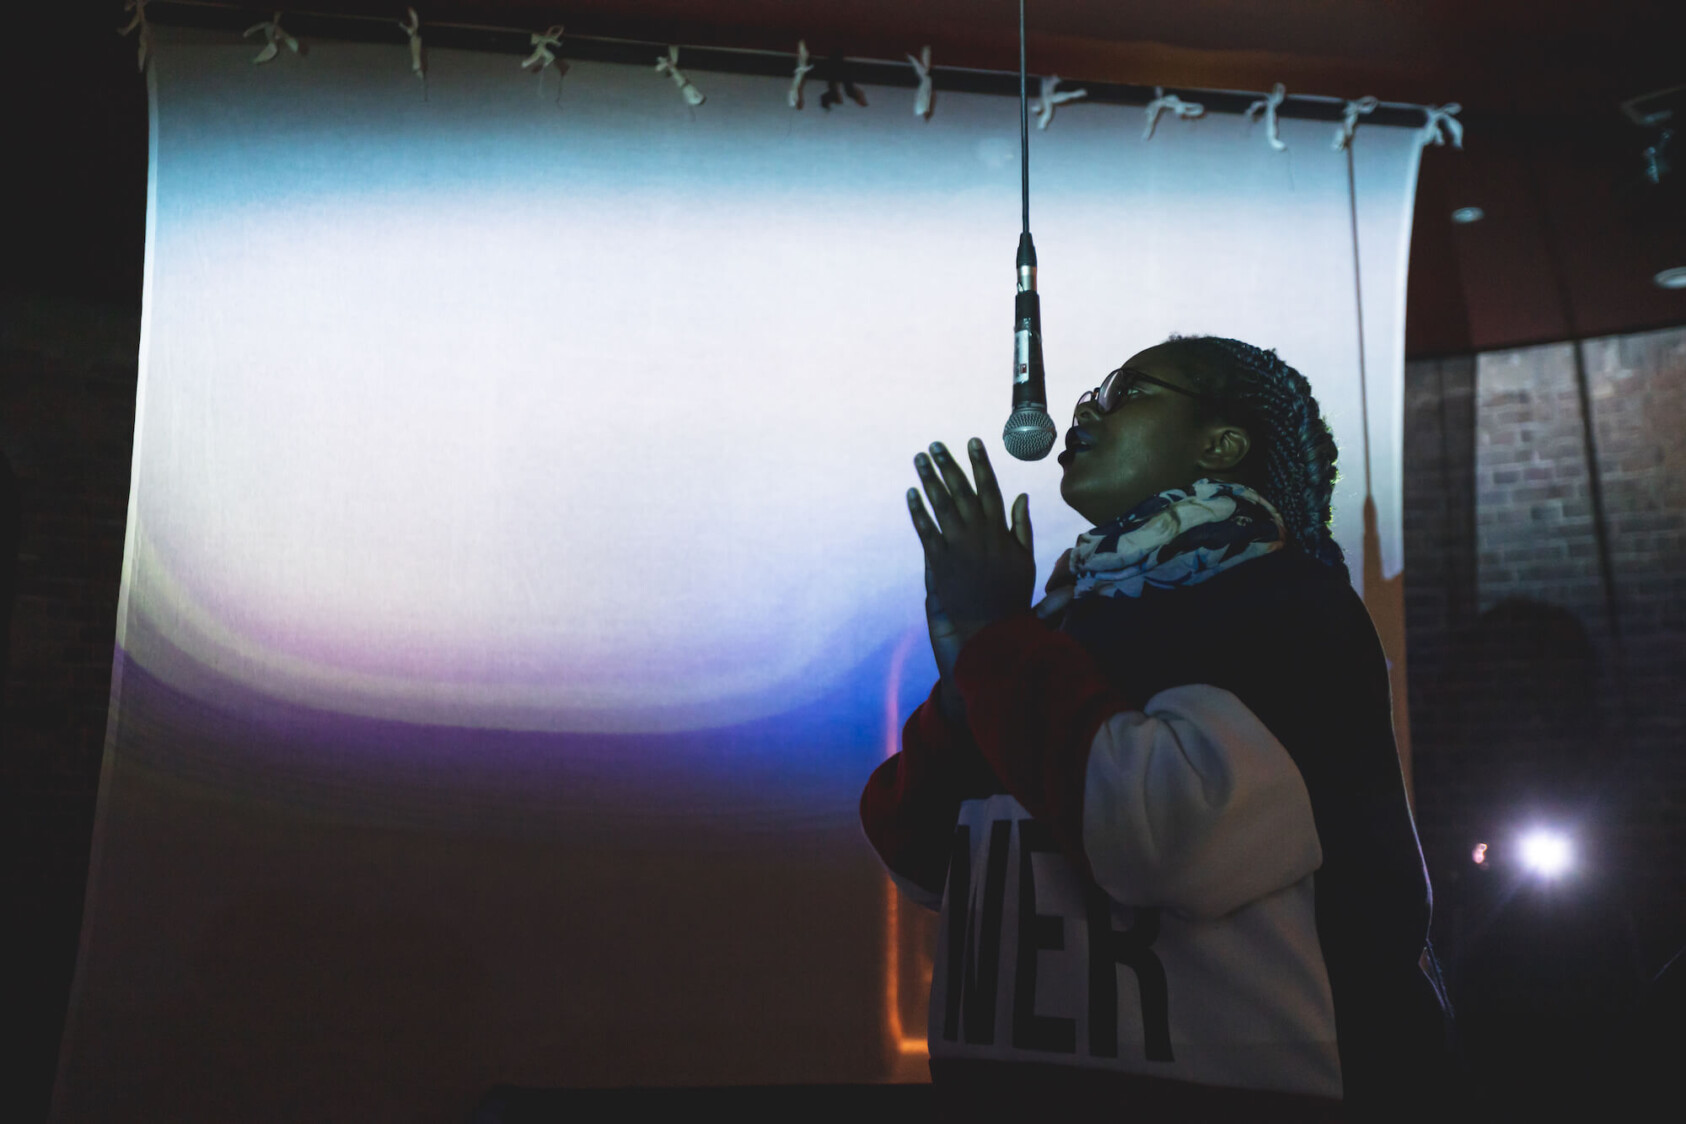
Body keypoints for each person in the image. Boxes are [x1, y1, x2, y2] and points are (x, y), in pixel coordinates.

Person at [860, 335, 1452, 1121]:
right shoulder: (1058, 624)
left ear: (1223, 443)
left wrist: (997, 640)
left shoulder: (1287, 605)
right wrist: (974, 670)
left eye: (1128, 393)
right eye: (1092, 396)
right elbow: (929, 866)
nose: (1083, 411)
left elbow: (1167, 837)